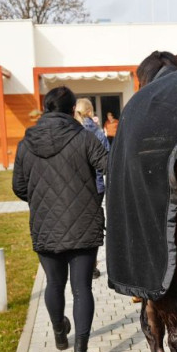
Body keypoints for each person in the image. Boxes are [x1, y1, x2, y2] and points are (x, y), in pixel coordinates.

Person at [13, 86, 109, 352]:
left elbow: (19, 187)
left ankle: (59, 333)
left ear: (46, 108)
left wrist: (42, 200)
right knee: (82, 288)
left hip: (45, 223)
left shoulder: (26, 143)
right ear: (72, 110)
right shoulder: (84, 137)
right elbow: (109, 166)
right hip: (83, 222)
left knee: (54, 284)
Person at [75, 100, 111, 280]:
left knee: (77, 223)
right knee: (94, 224)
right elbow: (107, 159)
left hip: (76, 186)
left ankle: (77, 262)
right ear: (90, 111)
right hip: (96, 186)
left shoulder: (73, 131)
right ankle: (92, 265)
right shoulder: (96, 132)